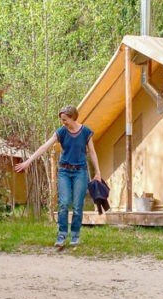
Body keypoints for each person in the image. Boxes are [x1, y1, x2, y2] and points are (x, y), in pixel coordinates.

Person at [15, 105, 101, 248]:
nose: (63, 122)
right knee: (64, 203)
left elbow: (92, 152)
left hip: (80, 171)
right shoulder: (61, 132)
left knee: (78, 206)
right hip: (64, 171)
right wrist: (28, 161)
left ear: (73, 117)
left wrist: (97, 171)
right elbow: (45, 146)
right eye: (62, 119)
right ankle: (61, 234)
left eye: (65, 119)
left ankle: (75, 235)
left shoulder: (86, 132)